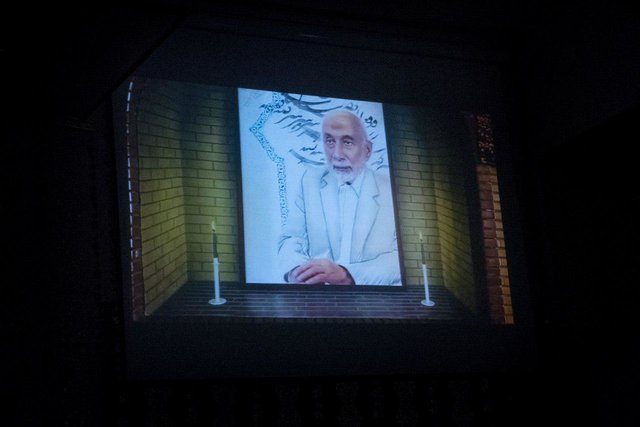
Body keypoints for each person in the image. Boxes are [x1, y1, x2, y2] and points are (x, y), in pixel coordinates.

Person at [277, 109, 401, 285]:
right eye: (329, 141)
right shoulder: (310, 181)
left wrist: (347, 275)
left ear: (367, 150)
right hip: (318, 296)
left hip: (370, 296)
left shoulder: (390, 188)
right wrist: (296, 271)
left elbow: (400, 258)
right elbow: (290, 238)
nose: (337, 155)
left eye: (347, 142)